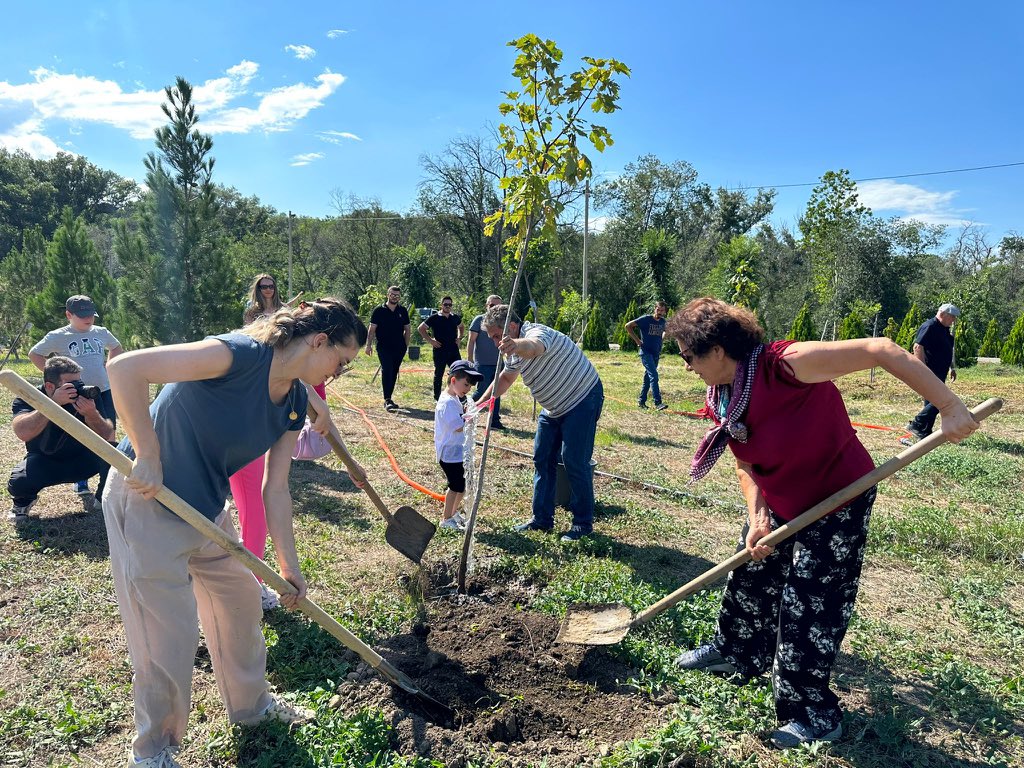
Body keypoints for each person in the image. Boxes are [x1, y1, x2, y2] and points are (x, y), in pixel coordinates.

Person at [667, 298, 977, 749]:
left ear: (716, 349)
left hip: (837, 499)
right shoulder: (723, 395)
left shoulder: (784, 365)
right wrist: (758, 517)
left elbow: (880, 348)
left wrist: (948, 405)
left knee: (810, 606)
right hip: (780, 502)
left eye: (687, 356)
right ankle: (737, 652)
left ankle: (813, 713)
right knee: (750, 572)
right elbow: (746, 462)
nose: (686, 366)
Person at [103, 299, 366, 767]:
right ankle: (153, 752)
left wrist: (289, 567)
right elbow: (125, 369)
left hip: (205, 508)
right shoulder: (238, 354)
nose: (339, 373)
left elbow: (277, 489)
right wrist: (146, 452)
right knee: (167, 634)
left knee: (241, 602)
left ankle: (251, 709)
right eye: (341, 361)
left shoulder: (295, 402)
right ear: (319, 340)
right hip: (148, 499)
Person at [476, 305, 604, 541]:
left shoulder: (537, 333)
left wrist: (516, 345)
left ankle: (582, 524)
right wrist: (481, 404)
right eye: (493, 337)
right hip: (553, 408)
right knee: (542, 458)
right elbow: (505, 378)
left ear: (512, 327)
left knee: (574, 460)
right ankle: (542, 520)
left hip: (582, 398)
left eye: (496, 336)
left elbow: (534, 348)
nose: (495, 343)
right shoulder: (510, 350)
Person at [29, 295, 123, 507]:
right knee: (79, 436)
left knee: (108, 436)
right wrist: (55, 378)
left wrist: (110, 367)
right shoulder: (58, 336)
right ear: (69, 315)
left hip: (103, 392)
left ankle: (103, 491)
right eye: (82, 316)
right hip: (75, 394)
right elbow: (35, 354)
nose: (88, 319)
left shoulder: (101, 332)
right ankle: (81, 481)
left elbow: (116, 347)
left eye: (91, 314)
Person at [8, 356, 114, 523]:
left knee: (117, 452)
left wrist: (92, 414)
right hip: (46, 461)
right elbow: (23, 432)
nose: (79, 388)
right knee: (19, 481)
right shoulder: (29, 397)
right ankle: (22, 503)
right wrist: (52, 404)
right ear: (50, 386)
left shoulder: (88, 395)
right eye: (71, 385)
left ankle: (104, 499)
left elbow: (107, 434)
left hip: (84, 460)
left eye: (79, 382)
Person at [434, 360, 483, 530]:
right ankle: (446, 519)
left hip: (456, 452)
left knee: (461, 486)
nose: (468, 389)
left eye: (470, 386)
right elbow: (458, 426)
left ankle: (453, 512)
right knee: (455, 487)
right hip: (449, 455)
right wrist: (472, 415)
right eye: (466, 384)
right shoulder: (447, 403)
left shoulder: (454, 397)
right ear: (453, 380)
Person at [906, 302, 960, 440]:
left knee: (931, 401)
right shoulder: (930, 326)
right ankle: (917, 424)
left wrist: (952, 368)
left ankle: (924, 432)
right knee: (941, 401)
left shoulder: (946, 330)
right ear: (942, 314)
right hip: (930, 371)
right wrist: (922, 369)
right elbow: (918, 347)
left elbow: (948, 350)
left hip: (940, 371)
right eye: (952, 317)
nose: (954, 320)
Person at [365, 285, 411, 412]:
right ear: (388, 295)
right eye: (392, 294)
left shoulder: (403, 311)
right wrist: (368, 345)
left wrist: (405, 346)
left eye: (397, 295)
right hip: (384, 347)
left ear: (399, 297)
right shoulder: (379, 310)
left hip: (399, 347)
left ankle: (389, 398)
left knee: (394, 371)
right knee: (387, 369)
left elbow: (407, 329)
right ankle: (387, 399)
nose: (395, 297)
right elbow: (372, 329)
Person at [467, 294, 507, 429]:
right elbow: (471, 341)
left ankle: (494, 421)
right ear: (486, 306)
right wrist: (470, 360)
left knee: (497, 392)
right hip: (482, 364)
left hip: (499, 364)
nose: (494, 308)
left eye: (497, 305)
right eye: (491, 305)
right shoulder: (479, 320)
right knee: (482, 390)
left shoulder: (504, 323)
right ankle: (465, 411)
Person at [625, 300, 669, 410]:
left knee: (648, 379)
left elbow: (666, 330)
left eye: (662, 311)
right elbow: (628, 326)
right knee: (654, 376)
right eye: (658, 309)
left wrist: (663, 336)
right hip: (645, 353)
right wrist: (638, 341)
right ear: (655, 309)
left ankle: (641, 401)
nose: (659, 312)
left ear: (665, 312)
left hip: (656, 353)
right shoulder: (646, 319)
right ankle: (658, 403)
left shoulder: (663, 322)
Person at [419, 295, 464, 401]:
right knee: (439, 373)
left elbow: (461, 326)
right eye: (445, 304)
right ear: (441, 305)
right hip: (440, 350)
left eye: (450, 305)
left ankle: (458, 395)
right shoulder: (435, 317)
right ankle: (437, 397)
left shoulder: (455, 317)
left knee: (459, 372)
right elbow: (421, 328)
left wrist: (459, 337)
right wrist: (431, 341)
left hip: (453, 349)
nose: (448, 306)